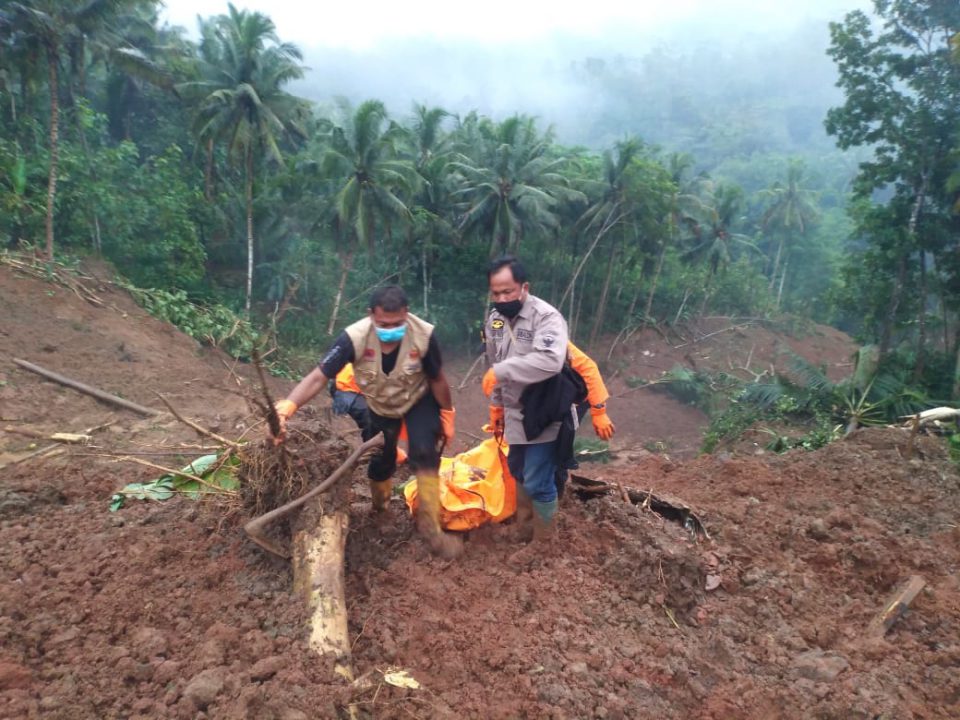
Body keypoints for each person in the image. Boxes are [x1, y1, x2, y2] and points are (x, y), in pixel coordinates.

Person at [271, 285, 460, 558]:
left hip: (419, 400)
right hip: (380, 404)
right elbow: (318, 376)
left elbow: (437, 379)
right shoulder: (353, 338)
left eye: (398, 324)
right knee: (383, 459)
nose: (391, 330)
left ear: (407, 314)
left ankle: (431, 528)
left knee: (425, 452)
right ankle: (380, 511)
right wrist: (289, 406)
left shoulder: (425, 336)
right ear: (371, 315)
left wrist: (447, 413)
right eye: (384, 324)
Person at [483, 255, 569, 563]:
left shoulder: (546, 318)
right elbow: (494, 361)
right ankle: (524, 526)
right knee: (517, 469)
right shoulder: (494, 318)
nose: (502, 298)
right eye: (496, 292)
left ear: (524, 287)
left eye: (508, 291)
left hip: (544, 410)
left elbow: (549, 361)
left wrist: (502, 372)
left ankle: (543, 543)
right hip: (514, 410)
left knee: (536, 479)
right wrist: (496, 407)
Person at [483, 340, 616, 495]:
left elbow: (589, 368)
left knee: (555, 446)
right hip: (541, 400)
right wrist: (497, 419)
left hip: (571, 397)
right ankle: (531, 492)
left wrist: (599, 411)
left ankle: (555, 494)